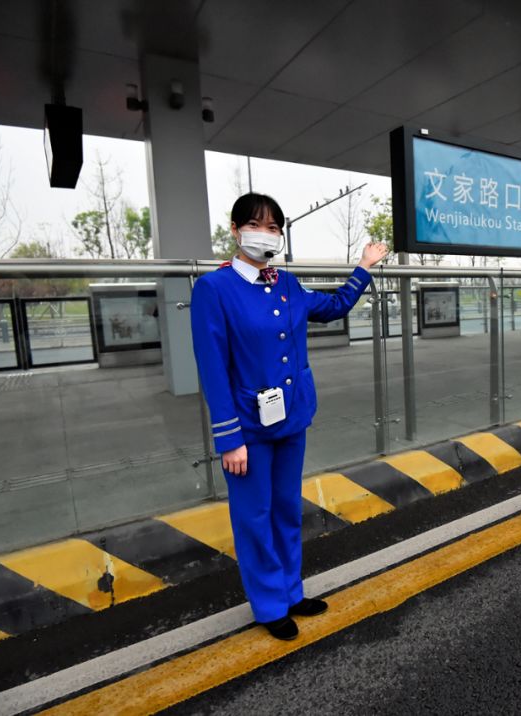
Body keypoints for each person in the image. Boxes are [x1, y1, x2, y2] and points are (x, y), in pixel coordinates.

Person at [191, 192, 389, 640]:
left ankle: (290, 591)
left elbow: (334, 308)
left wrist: (364, 266)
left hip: (291, 419)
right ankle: (268, 605)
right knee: (254, 516)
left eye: (273, 228)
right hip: (248, 427)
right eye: (256, 225)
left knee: (285, 509)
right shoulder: (214, 289)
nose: (265, 234)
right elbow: (213, 369)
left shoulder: (287, 283)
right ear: (235, 229)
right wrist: (229, 438)